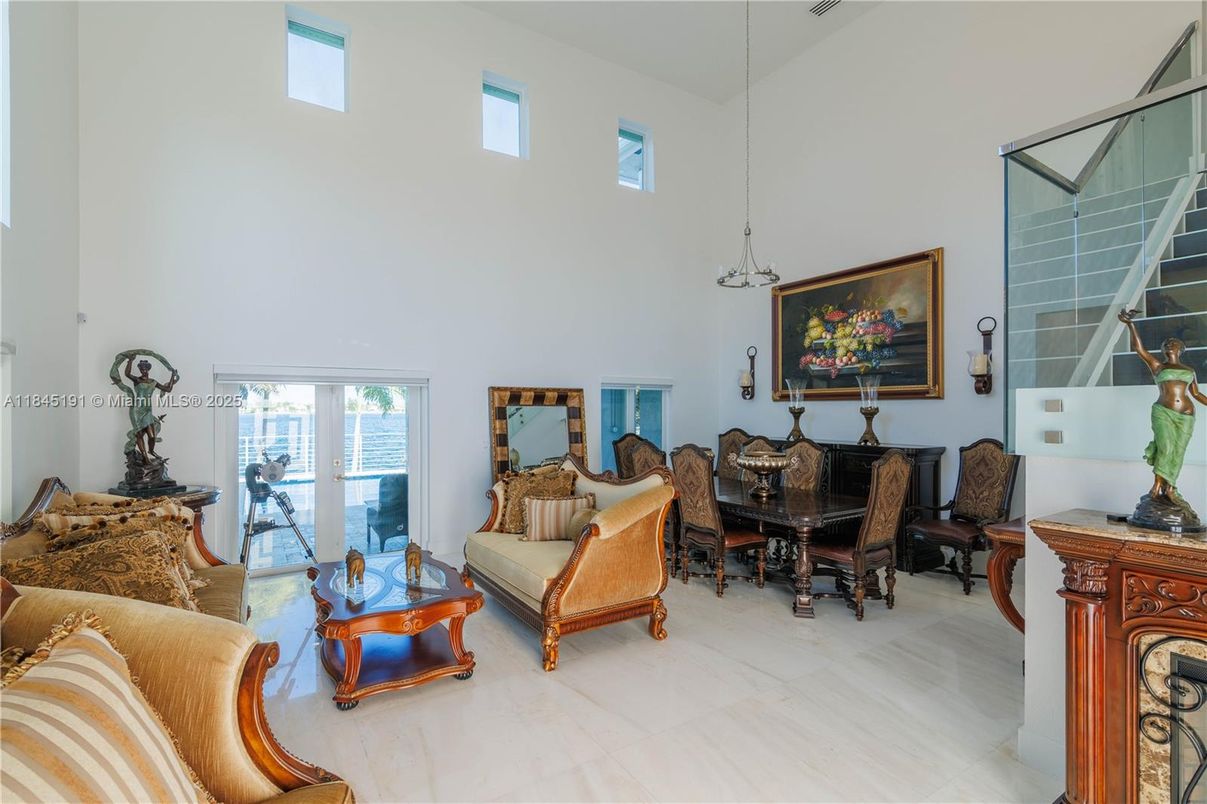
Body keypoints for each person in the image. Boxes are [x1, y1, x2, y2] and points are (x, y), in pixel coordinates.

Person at [1118, 308, 1206, 503]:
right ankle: (1158, 485)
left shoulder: (1189, 370)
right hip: (1163, 412)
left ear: (1180, 349)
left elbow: (1197, 394)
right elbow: (1139, 350)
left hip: (1186, 415)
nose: (1169, 345)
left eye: (1173, 343)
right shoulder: (1158, 366)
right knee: (1165, 447)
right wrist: (1130, 325)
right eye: (1166, 344)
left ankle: (1170, 487)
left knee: (1178, 452)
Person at [121, 355, 180, 462]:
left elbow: (168, 389)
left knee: (152, 436)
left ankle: (151, 451)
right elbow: (127, 374)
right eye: (141, 369)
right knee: (139, 434)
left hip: (147, 410)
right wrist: (130, 360)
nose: (143, 371)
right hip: (136, 410)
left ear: (148, 369)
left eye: (145, 369)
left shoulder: (153, 382)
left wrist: (172, 376)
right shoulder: (137, 380)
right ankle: (145, 458)